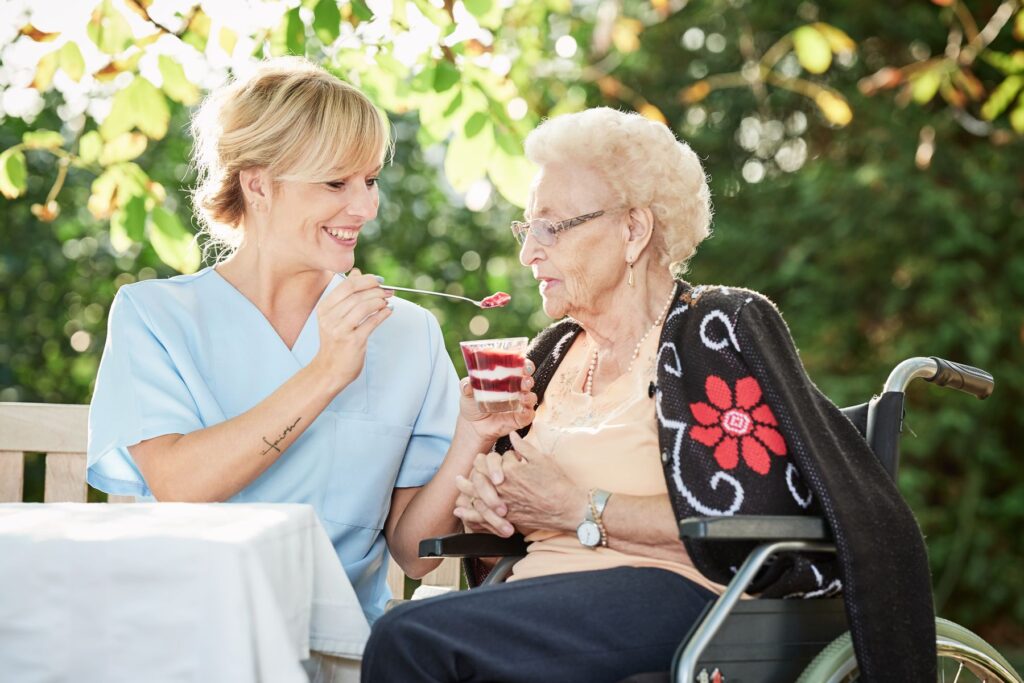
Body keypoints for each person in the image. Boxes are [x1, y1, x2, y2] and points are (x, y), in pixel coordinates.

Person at [361, 108, 936, 682]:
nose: (528, 253)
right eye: (526, 228)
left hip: (685, 602)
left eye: (551, 226)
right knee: (415, 624)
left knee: (409, 637)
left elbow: (757, 515)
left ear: (633, 230)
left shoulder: (713, 330)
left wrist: (578, 509)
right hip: (541, 604)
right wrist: (486, 479)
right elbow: (418, 554)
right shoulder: (549, 355)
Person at [85, 57, 536, 625]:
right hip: (192, 632)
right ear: (259, 185)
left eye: (369, 180)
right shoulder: (154, 316)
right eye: (335, 182)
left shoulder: (408, 332)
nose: (366, 207)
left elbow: (413, 553)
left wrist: (472, 431)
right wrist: (327, 372)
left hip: (342, 640)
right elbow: (180, 486)